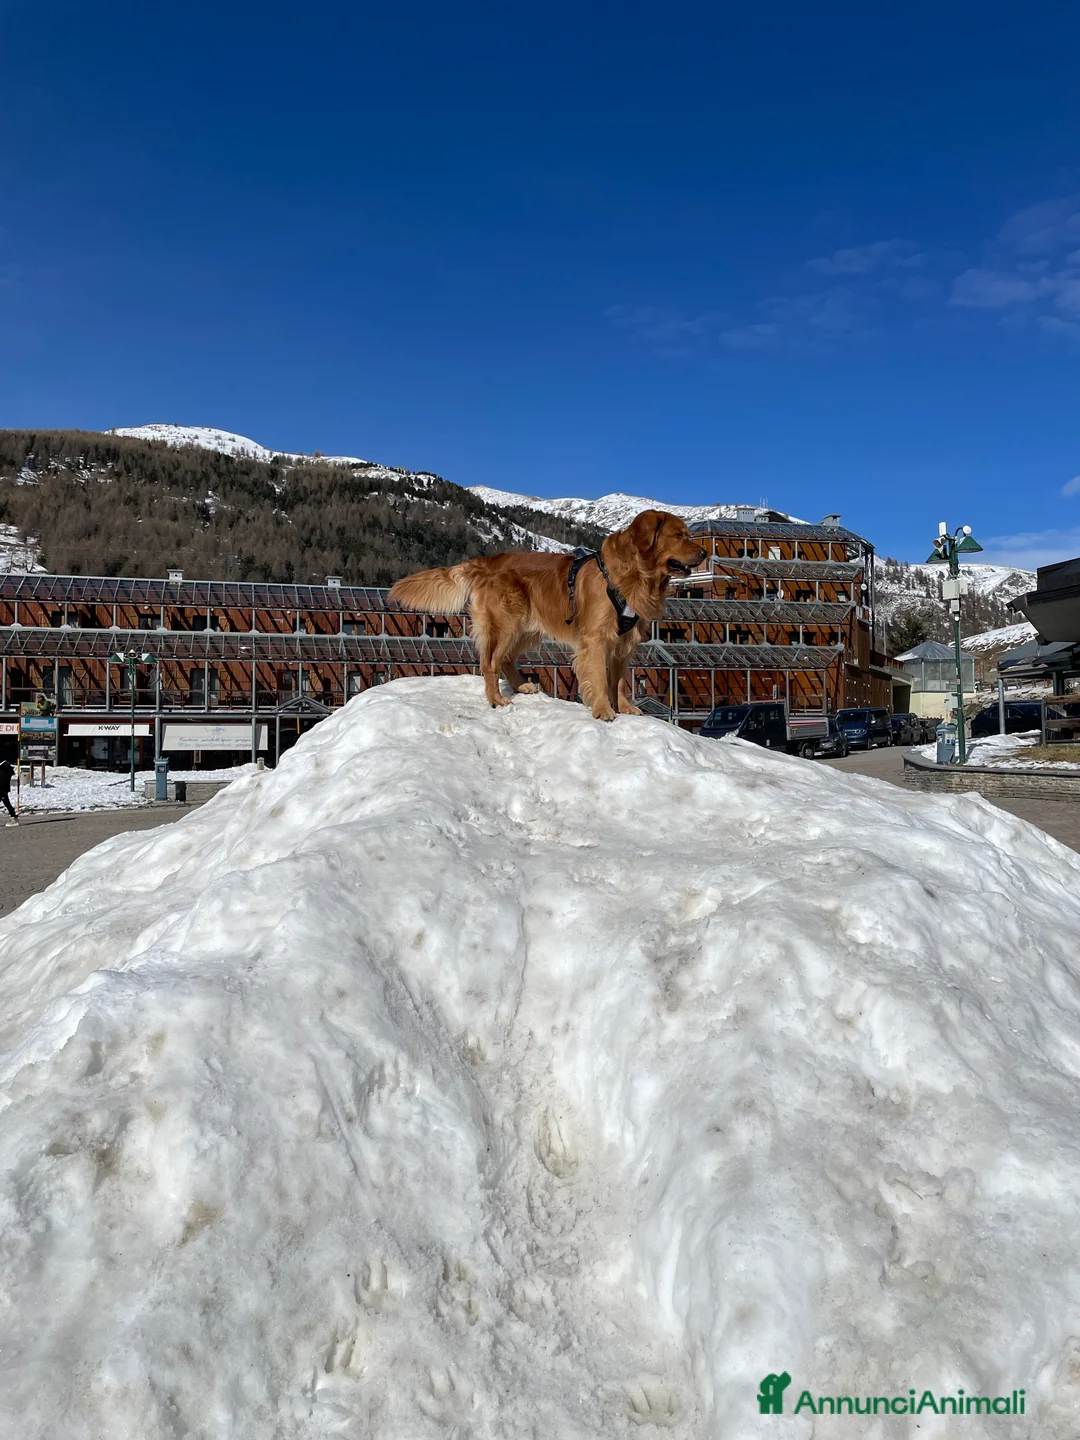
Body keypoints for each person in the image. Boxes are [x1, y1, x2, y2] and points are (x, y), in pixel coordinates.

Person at [0, 758, 17, 825]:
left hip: (1, 790)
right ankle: (13, 817)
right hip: (3, 789)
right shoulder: (5, 768)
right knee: (7, 803)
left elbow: (2, 781)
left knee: (7, 804)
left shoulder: (3, 769)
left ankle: (14, 818)